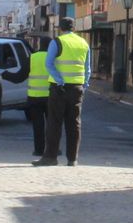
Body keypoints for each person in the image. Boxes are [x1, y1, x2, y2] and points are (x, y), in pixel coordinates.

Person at [35, 17, 90, 167]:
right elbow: (88, 68)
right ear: (74, 28)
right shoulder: (83, 43)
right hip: (77, 88)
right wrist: (84, 84)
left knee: (54, 122)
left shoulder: (57, 42)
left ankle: (50, 157)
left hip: (59, 88)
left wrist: (59, 80)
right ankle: (72, 159)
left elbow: (49, 63)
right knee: (74, 123)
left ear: (61, 28)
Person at [24, 38, 51, 158]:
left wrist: (5, 75)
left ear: (40, 44)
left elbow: (20, 76)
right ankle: (52, 149)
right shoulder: (55, 59)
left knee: (38, 125)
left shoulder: (33, 57)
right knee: (52, 125)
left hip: (34, 97)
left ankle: (38, 150)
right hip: (51, 97)